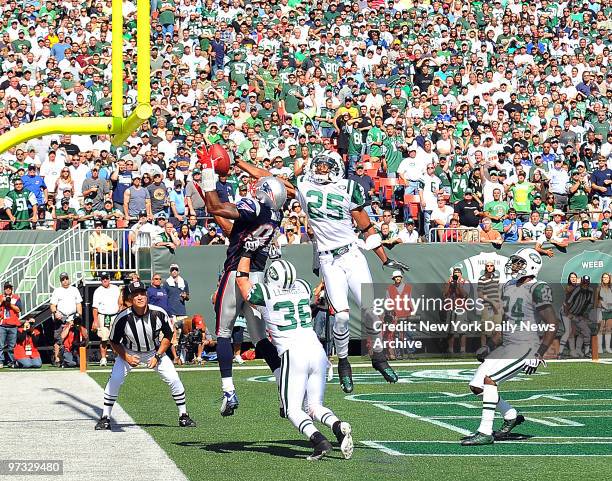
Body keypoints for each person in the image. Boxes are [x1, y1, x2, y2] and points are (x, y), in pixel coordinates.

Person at [236, 151, 406, 394]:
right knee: (342, 317)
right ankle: (344, 364)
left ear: (336, 168)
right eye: (320, 165)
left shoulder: (349, 188)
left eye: (327, 166)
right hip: (329, 259)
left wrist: (384, 258)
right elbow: (270, 179)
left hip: (352, 255)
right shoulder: (304, 185)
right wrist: (241, 164)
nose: (322, 170)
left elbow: (366, 226)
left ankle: (378, 357)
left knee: (372, 311)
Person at [236, 258, 353, 461]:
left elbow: (242, 283)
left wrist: (244, 255)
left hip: (294, 352)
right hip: (317, 351)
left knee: (292, 410)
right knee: (314, 406)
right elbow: (313, 293)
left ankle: (319, 441)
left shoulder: (266, 292)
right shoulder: (302, 286)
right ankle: (337, 426)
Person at [200, 164, 286, 416]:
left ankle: (228, 392)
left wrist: (208, 179)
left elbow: (216, 207)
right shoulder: (274, 215)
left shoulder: (256, 206)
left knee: (224, 332)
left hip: (238, 271)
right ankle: (284, 391)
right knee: (261, 339)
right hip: (258, 277)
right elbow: (233, 229)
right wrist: (215, 212)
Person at [463, 248, 558, 446]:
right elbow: (506, 321)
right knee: (476, 385)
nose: (514, 266)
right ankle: (511, 414)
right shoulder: (508, 285)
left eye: (519, 263)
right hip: (508, 344)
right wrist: (490, 344)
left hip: (526, 347)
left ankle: (485, 431)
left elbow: (552, 323)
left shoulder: (538, 288)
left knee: (490, 380)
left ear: (531, 265)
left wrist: (539, 354)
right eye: (514, 262)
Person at [94, 281, 196, 430]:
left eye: (142, 293)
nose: (140, 297)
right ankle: (105, 417)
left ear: (147, 295)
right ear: (130, 298)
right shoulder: (122, 318)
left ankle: (183, 416)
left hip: (153, 351)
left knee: (174, 378)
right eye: (136, 295)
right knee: (114, 380)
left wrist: (158, 355)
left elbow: (168, 335)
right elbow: (114, 341)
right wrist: (126, 357)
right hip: (129, 352)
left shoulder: (159, 313)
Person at [49, 272, 83, 367]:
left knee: (75, 337)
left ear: (69, 279)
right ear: (60, 281)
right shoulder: (57, 291)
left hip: (72, 316)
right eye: (63, 279)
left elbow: (79, 303)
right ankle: (57, 358)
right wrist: (55, 313)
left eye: (66, 279)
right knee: (58, 338)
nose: (65, 281)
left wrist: (79, 315)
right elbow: (52, 305)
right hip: (61, 316)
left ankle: (73, 356)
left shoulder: (74, 290)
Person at [561, 275, 595, 358]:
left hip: (579, 315)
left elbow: (590, 304)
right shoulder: (577, 289)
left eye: (587, 283)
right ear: (581, 283)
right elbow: (568, 302)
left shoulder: (590, 291)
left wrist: (584, 315)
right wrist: (568, 314)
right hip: (570, 313)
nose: (585, 285)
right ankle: (564, 352)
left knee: (586, 331)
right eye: (584, 283)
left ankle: (583, 351)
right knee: (570, 332)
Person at [92, 272, 121, 367]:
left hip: (115, 315)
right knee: (103, 338)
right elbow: (95, 308)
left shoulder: (116, 289)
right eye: (103, 278)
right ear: (101, 280)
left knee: (116, 338)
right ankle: (103, 358)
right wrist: (95, 321)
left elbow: (120, 302)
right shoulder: (98, 291)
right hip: (103, 316)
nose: (105, 280)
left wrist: (120, 312)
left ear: (109, 279)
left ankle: (118, 357)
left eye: (106, 278)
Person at [0, 281, 22, 368]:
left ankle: (11, 361)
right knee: (0, 345)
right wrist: (2, 301)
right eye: (6, 288)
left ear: (12, 289)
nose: (8, 289)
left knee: (12, 346)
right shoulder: (1, 297)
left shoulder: (16, 298)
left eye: (9, 288)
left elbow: (18, 310)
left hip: (13, 325)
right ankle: (1, 361)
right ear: (4, 289)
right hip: (2, 324)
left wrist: (10, 304)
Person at [596, 273, 612, 354]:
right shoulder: (599, 288)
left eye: (607, 277)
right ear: (602, 279)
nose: (605, 279)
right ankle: (599, 348)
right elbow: (596, 301)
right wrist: (597, 309)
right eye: (604, 278)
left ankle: (608, 348)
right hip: (601, 310)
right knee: (601, 329)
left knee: (608, 329)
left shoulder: (611, 288)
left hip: (610, 311)